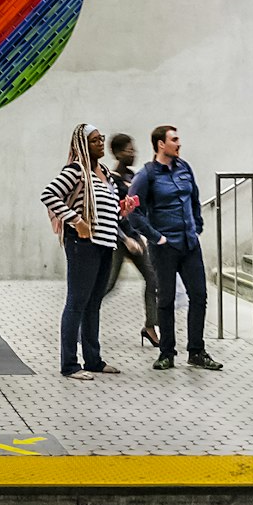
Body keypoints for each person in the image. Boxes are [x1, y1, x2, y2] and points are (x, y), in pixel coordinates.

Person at [131, 125, 221, 372]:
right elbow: (134, 213)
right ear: (161, 144)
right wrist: (156, 237)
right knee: (166, 299)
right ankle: (166, 352)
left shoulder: (184, 168)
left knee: (199, 296)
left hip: (189, 244)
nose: (179, 144)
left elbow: (194, 200)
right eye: (174, 139)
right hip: (164, 247)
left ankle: (196, 351)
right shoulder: (146, 175)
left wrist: (197, 227)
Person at [40, 123, 124, 380]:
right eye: (95, 140)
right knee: (76, 303)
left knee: (93, 304)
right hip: (83, 245)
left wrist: (124, 210)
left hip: (105, 244)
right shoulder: (76, 171)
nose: (100, 144)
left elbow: (110, 210)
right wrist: (76, 220)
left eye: (102, 139)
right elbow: (49, 194)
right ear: (82, 145)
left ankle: (94, 360)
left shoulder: (106, 174)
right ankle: (69, 365)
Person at [105, 133, 161, 350]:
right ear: (117, 153)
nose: (133, 153)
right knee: (108, 285)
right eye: (129, 150)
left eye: (134, 149)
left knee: (152, 279)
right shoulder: (111, 179)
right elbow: (111, 213)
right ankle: (82, 318)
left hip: (135, 239)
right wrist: (125, 238)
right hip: (118, 240)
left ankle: (150, 327)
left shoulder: (133, 177)